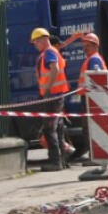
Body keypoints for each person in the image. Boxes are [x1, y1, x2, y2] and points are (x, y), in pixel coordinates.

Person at [31, 27, 70, 171]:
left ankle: (55, 162)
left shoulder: (49, 53)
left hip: (52, 96)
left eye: (35, 42)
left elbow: (54, 68)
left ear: (41, 40)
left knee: (49, 129)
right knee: (58, 128)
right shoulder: (53, 52)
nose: (35, 45)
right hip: (57, 95)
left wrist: (48, 88)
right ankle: (62, 161)